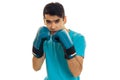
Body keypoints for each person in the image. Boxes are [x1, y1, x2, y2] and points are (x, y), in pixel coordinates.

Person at [32, 2, 86, 80]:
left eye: (57, 21)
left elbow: (76, 72)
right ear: (44, 21)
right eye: (48, 22)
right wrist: (38, 45)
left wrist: (68, 48)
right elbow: (36, 67)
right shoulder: (44, 37)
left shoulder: (77, 38)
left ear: (64, 19)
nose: (53, 26)